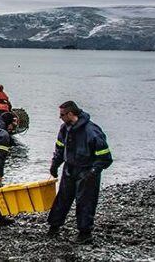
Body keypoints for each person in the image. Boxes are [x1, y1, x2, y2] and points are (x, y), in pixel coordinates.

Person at [47, 101, 113, 244]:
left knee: (85, 201)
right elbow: (59, 149)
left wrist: (94, 171)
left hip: (87, 171)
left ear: (71, 114)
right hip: (69, 169)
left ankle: (85, 233)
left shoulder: (92, 131)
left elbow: (106, 157)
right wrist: (55, 165)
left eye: (62, 115)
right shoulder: (64, 129)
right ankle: (54, 227)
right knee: (62, 198)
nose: (60, 118)